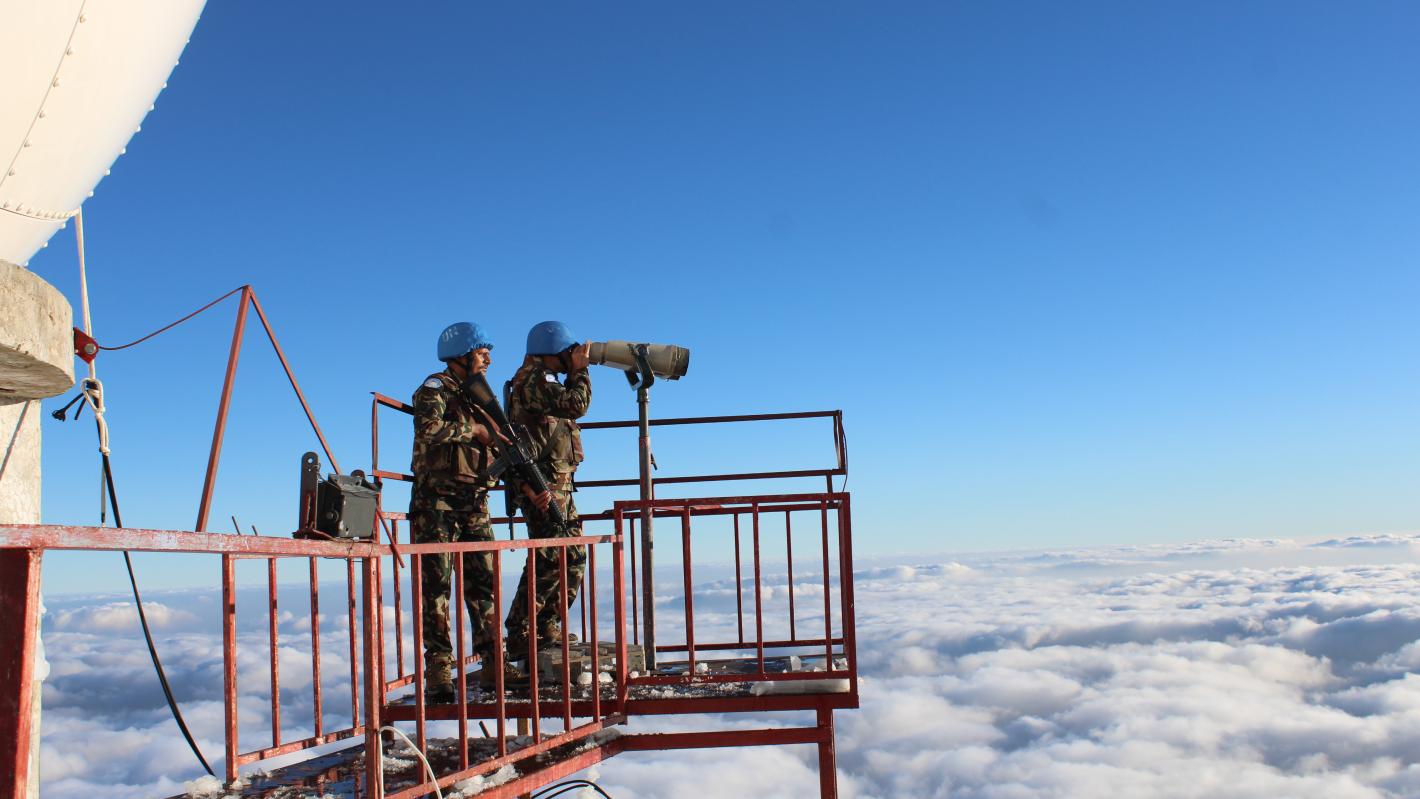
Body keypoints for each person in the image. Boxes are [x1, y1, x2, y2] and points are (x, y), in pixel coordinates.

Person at [409, 321, 504, 701]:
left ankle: (494, 662)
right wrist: (474, 431)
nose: (488, 360)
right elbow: (428, 429)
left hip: (474, 501)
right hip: (437, 503)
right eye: (482, 353)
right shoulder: (434, 388)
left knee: (483, 582)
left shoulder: (479, 396)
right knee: (436, 587)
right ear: (461, 356)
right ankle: (439, 672)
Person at [503, 320, 592, 655]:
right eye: (570, 351)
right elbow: (576, 405)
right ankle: (520, 630)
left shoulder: (543, 379)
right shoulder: (535, 379)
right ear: (555, 351)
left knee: (572, 556)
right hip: (542, 486)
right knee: (549, 558)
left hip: (559, 485)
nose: (574, 356)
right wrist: (580, 371)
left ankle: (544, 624)